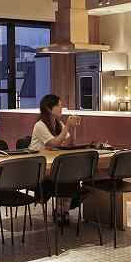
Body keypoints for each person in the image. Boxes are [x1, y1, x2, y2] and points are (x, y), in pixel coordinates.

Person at [29, 94, 82, 223]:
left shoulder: (59, 123)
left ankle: (62, 211)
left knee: (70, 177)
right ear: (48, 108)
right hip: (39, 170)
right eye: (59, 105)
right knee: (65, 177)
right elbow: (54, 143)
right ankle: (61, 212)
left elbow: (69, 144)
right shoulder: (40, 125)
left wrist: (73, 127)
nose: (61, 108)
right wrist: (67, 127)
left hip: (55, 166)